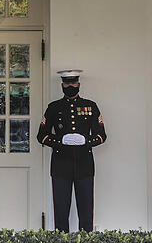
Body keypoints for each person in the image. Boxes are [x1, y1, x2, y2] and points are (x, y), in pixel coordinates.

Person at [37, 69, 107, 232]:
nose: (70, 86)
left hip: (85, 165)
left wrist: (86, 141)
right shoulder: (53, 108)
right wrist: (60, 141)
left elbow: (102, 135)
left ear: (79, 84)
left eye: (73, 83)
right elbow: (41, 135)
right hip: (61, 165)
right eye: (67, 83)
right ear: (62, 85)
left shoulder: (90, 106)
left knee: (86, 213)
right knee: (60, 214)